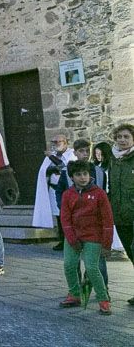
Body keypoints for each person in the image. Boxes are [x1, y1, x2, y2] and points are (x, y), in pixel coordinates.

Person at [59, 161, 114, 315]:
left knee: (91, 267)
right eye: (78, 174)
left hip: (93, 237)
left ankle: (103, 298)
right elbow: (65, 219)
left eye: (85, 174)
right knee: (69, 265)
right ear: (71, 177)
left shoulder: (99, 194)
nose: (82, 177)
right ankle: (75, 294)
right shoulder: (67, 194)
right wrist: (71, 239)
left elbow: (107, 220)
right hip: (74, 236)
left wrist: (106, 244)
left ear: (90, 175)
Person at [32, 133, 75, 250]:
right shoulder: (52, 155)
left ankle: (71, 240)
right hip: (54, 189)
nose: (55, 145)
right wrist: (51, 169)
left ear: (65, 142)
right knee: (59, 217)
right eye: (53, 142)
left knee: (68, 216)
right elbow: (44, 170)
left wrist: (52, 159)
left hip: (66, 190)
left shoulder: (72, 154)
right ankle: (62, 240)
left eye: (58, 142)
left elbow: (64, 167)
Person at [107, 123, 134, 306]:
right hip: (120, 216)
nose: (122, 140)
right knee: (132, 255)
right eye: (119, 137)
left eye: (126, 137)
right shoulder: (113, 160)